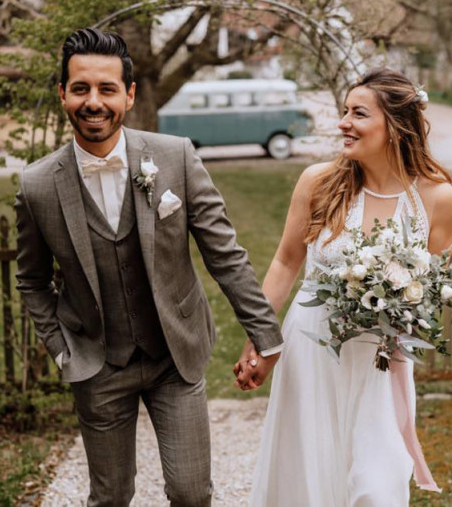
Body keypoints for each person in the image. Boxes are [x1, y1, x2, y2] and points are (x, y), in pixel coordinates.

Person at [14, 27, 283, 506]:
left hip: (173, 358)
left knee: (191, 493)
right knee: (111, 497)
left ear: (129, 95)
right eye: (80, 88)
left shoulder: (174, 156)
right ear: (62, 94)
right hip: (97, 364)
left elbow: (224, 253)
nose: (93, 102)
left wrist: (266, 336)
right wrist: (62, 350)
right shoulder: (37, 185)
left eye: (106, 88)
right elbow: (32, 281)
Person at [236, 68, 452, 506]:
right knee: (308, 475)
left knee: (377, 485)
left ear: (395, 126)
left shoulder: (436, 197)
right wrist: (260, 340)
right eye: (343, 111)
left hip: (382, 358)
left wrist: (402, 310)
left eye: (358, 114)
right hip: (311, 347)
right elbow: (285, 262)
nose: (343, 123)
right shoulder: (319, 183)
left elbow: (433, 289)